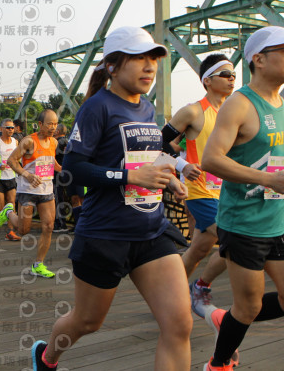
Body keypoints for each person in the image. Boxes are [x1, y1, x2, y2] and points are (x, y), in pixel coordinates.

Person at [31, 26, 191, 370]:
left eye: (154, 59)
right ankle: (47, 357)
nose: (149, 66)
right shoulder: (97, 107)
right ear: (113, 66)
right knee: (87, 322)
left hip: (151, 231)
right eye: (138, 58)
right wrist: (130, 176)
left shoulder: (147, 108)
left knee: (179, 325)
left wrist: (168, 176)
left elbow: (146, 157)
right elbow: (73, 169)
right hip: (105, 234)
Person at [200, 26, 284, 371]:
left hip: (277, 221)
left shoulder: (280, 103)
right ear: (259, 59)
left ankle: (226, 318)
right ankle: (218, 363)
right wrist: (269, 179)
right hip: (244, 223)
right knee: (247, 307)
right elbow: (211, 159)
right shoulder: (240, 103)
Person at [161, 53, 235, 320]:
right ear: (207, 81)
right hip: (200, 192)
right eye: (225, 74)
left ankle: (168, 295)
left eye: (233, 74)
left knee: (198, 249)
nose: (232, 79)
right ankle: (199, 288)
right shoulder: (193, 111)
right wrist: (181, 166)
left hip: (227, 192)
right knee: (236, 242)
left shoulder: (232, 113)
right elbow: (156, 142)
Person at [0, 109, 61, 278]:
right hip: (27, 190)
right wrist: (27, 174)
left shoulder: (54, 142)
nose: (53, 127)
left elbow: (51, 161)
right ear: (40, 124)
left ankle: (38, 265)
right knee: (23, 230)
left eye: (55, 124)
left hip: (46, 191)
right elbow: (11, 160)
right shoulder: (28, 141)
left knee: (49, 226)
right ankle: (8, 211)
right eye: (49, 124)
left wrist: (65, 169)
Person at [53, 123, 72, 233]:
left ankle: (60, 223)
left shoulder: (56, 143)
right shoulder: (68, 142)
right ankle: (62, 222)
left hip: (57, 173)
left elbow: (52, 157)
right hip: (66, 174)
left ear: (58, 131)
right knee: (63, 197)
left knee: (57, 198)